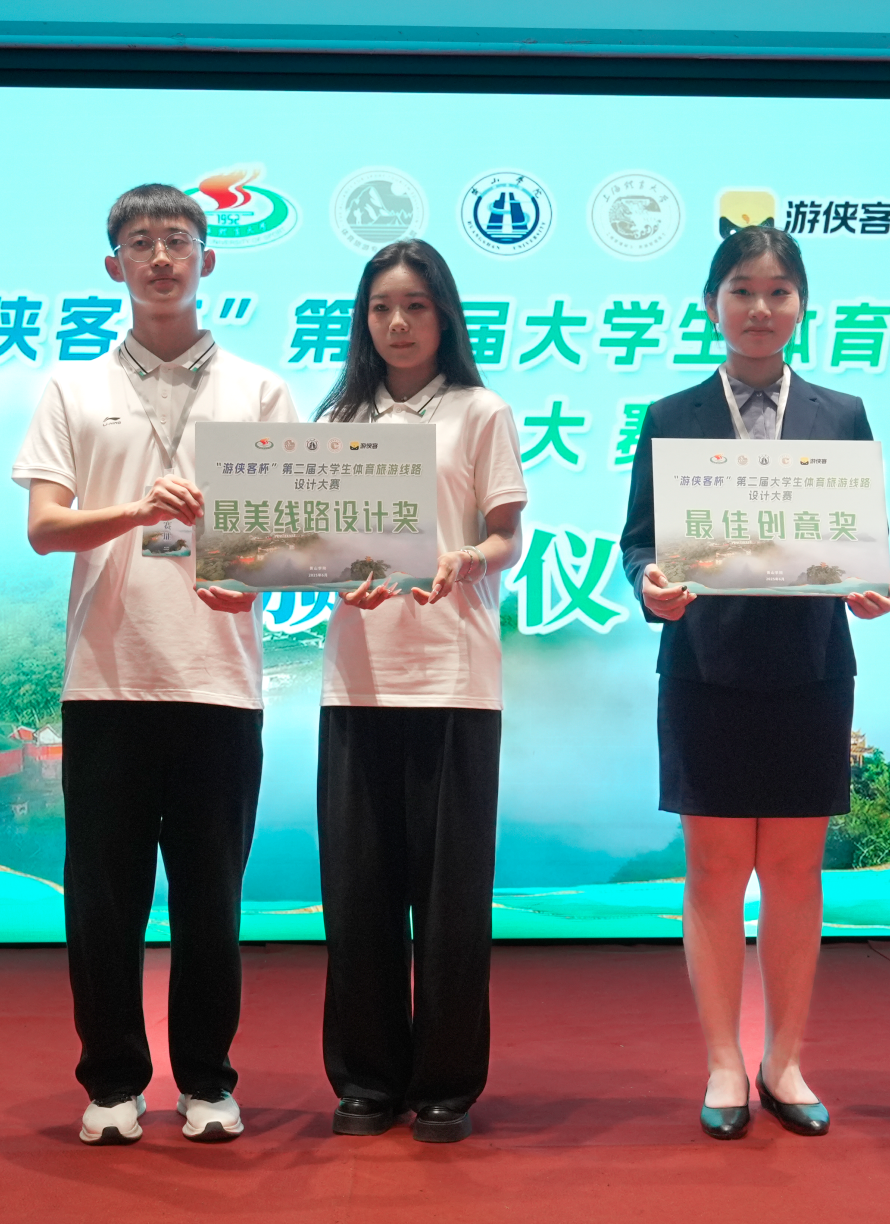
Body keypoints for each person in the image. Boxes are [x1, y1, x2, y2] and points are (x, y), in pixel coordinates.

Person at [14, 183, 298, 1146]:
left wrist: (253, 581)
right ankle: (112, 1085)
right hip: (106, 680)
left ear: (208, 260)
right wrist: (138, 510)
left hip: (219, 680)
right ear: (114, 266)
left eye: (178, 240)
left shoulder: (260, 391)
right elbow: (45, 527)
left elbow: (285, 542)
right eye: (141, 243)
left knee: (211, 902)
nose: (162, 257)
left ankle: (209, 1083)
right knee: (105, 903)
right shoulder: (72, 389)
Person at [620, 226, 890, 1141]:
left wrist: (872, 585)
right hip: (703, 668)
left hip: (811, 669)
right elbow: (639, 540)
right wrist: (649, 584)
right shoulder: (670, 416)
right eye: (742, 290)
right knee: (712, 874)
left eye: (779, 292)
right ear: (712, 305)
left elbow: (859, 543)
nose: (760, 308)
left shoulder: (842, 413)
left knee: (793, 874)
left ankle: (783, 1060)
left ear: (802, 307)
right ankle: (721, 1062)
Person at [312, 241, 526, 1144]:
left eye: (415, 307)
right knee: (358, 893)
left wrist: (467, 558)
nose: (397, 324)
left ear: (445, 316)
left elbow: (507, 533)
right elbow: (314, 543)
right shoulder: (337, 419)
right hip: (357, 680)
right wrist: (322, 573)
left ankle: (445, 1083)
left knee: (450, 900)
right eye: (380, 308)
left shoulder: (481, 410)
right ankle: (366, 1079)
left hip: (454, 678)